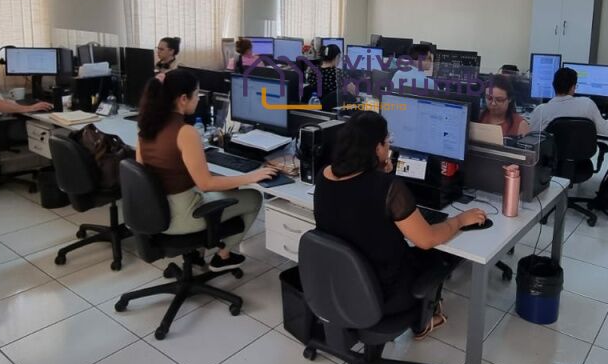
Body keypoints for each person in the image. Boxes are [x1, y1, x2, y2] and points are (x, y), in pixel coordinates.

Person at [313, 112, 485, 336]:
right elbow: (427, 239)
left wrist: (378, 173)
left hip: (340, 284)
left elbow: (355, 206)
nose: (389, 147)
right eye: (387, 142)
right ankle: (422, 321)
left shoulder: (324, 175)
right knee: (439, 255)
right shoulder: (387, 188)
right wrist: (460, 220)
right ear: (377, 148)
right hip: (384, 295)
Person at [135, 70, 272, 270]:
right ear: (183, 99)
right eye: (196, 94)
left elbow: (143, 176)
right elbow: (206, 184)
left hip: (156, 213)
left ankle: (197, 254)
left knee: (228, 191)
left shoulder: (145, 129)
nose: (198, 99)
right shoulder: (185, 133)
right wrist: (251, 177)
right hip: (183, 216)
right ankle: (223, 256)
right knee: (253, 197)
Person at [528, 66, 608, 137]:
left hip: (552, 153)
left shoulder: (541, 110)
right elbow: (606, 131)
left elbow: (531, 136)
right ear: (573, 87)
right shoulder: (587, 104)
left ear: (553, 85)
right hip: (581, 152)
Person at [303, 44, 356, 108]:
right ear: (337, 57)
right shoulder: (339, 74)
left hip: (315, 110)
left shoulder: (312, 71)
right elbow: (353, 92)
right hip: (332, 110)